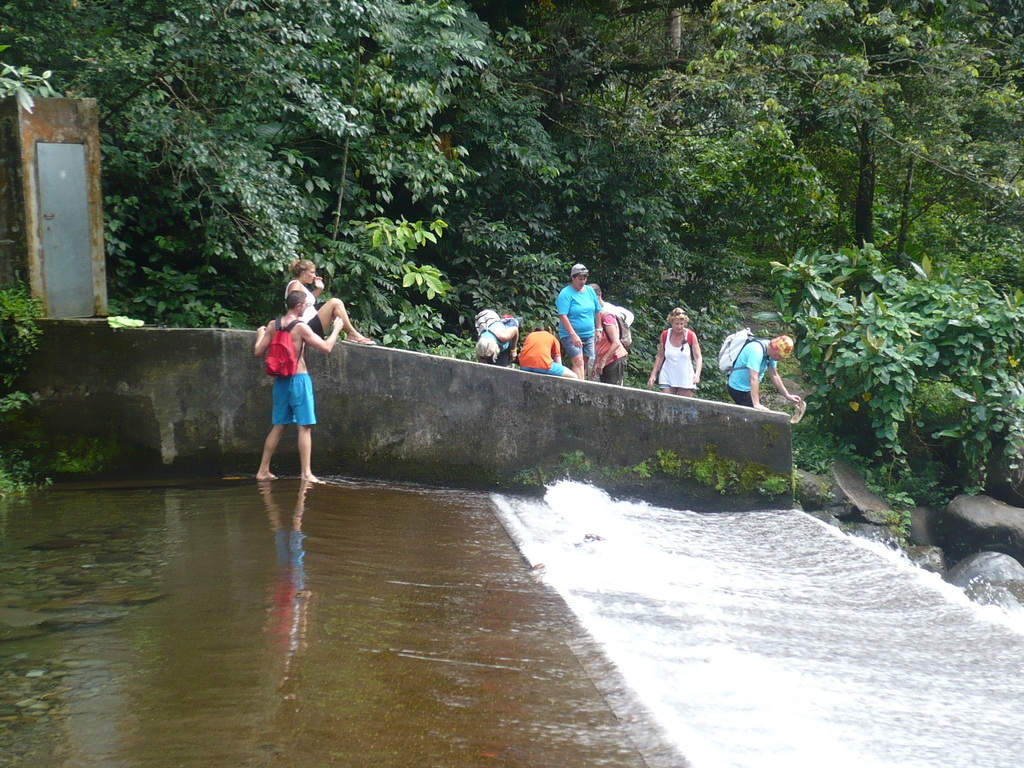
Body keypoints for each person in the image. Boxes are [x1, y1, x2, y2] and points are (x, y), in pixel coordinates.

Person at [254, 291, 344, 482]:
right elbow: (326, 347)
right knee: (304, 427)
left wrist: (260, 334)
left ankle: (263, 470)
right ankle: (306, 474)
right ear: (298, 306)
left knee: (278, 426)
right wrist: (337, 328)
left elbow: (258, 351)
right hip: (299, 379)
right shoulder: (300, 327)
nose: (306, 309)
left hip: (280, 382)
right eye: (305, 305)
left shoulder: (272, 325)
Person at [286, 258, 376, 344]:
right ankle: (352, 334)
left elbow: (307, 302)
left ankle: (351, 334)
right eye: (312, 272)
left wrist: (319, 289)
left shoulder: (302, 286)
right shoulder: (295, 284)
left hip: (311, 325)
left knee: (336, 305)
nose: (314, 276)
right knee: (335, 302)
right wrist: (298, 327)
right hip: (305, 326)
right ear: (303, 273)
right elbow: (294, 303)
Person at [727, 334, 802, 411]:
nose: (780, 359)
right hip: (738, 388)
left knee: (757, 413)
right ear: (774, 349)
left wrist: (787, 395)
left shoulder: (771, 352)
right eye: (780, 356)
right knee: (755, 416)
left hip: (748, 388)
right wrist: (756, 404)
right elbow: (753, 378)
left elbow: (774, 375)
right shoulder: (756, 351)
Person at [555, 263, 602, 379]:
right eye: (580, 279)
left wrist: (599, 329)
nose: (583, 282)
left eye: (585, 278)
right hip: (570, 335)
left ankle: (582, 386)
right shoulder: (565, 294)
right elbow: (563, 316)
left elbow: (597, 310)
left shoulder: (590, 291)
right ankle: (578, 388)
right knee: (578, 362)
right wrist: (573, 335)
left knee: (584, 363)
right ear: (573, 278)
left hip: (589, 334)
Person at [648, 308, 703, 397]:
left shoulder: (690, 335)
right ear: (671, 323)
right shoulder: (665, 335)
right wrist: (653, 374)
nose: (679, 326)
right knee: (667, 404)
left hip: (685, 377)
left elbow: (698, 357)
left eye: (682, 324)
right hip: (668, 375)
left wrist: (697, 374)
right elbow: (660, 356)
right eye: (676, 324)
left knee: (684, 406)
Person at [590, 284, 628, 385]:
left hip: (614, 359)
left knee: (613, 392)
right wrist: (596, 363)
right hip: (603, 360)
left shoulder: (607, 317)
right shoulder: (592, 318)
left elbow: (616, 343)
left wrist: (602, 361)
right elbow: (597, 345)